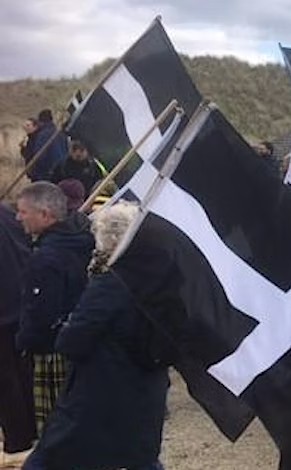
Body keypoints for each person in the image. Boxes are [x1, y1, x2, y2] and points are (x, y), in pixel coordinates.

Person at [23, 202, 169, 470]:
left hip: (101, 391)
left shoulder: (110, 284)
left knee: (46, 459)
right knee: (139, 456)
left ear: (107, 239)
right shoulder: (161, 283)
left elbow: (72, 342)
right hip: (146, 390)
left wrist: (66, 327)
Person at [15, 182, 95, 434]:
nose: (18, 218)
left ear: (45, 215)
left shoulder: (46, 257)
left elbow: (42, 313)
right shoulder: (83, 241)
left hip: (52, 350)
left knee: (56, 431)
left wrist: (23, 340)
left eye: (23, 212)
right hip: (80, 344)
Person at [0, 204, 36, 468]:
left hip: (3, 307)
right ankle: (32, 430)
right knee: (23, 371)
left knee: (6, 378)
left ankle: (18, 439)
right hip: (20, 303)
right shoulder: (10, 215)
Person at [24, 110, 68, 182]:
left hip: (45, 175)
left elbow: (39, 156)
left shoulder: (42, 135)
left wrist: (35, 173)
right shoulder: (61, 133)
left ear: (40, 122)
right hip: (61, 172)